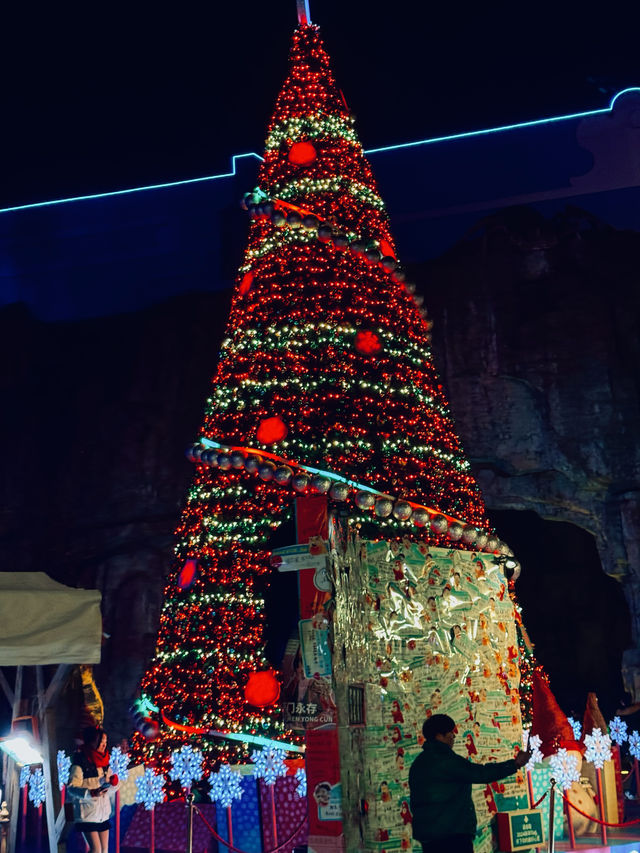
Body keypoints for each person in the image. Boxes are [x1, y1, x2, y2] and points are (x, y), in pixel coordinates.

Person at [409, 714, 531, 853]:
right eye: (450, 733)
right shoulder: (447, 761)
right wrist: (515, 764)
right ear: (439, 736)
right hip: (452, 836)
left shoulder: (418, 764)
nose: (453, 737)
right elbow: (481, 773)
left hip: (429, 836)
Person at [67, 726, 119, 853]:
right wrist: (91, 793)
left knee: (104, 850)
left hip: (102, 813)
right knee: (96, 850)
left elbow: (110, 789)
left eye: (105, 742)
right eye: (101, 742)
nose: (103, 745)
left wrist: (114, 784)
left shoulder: (105, 762)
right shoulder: (80, 763)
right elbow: (71, 788)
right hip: (87, 814)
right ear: (92, 741)